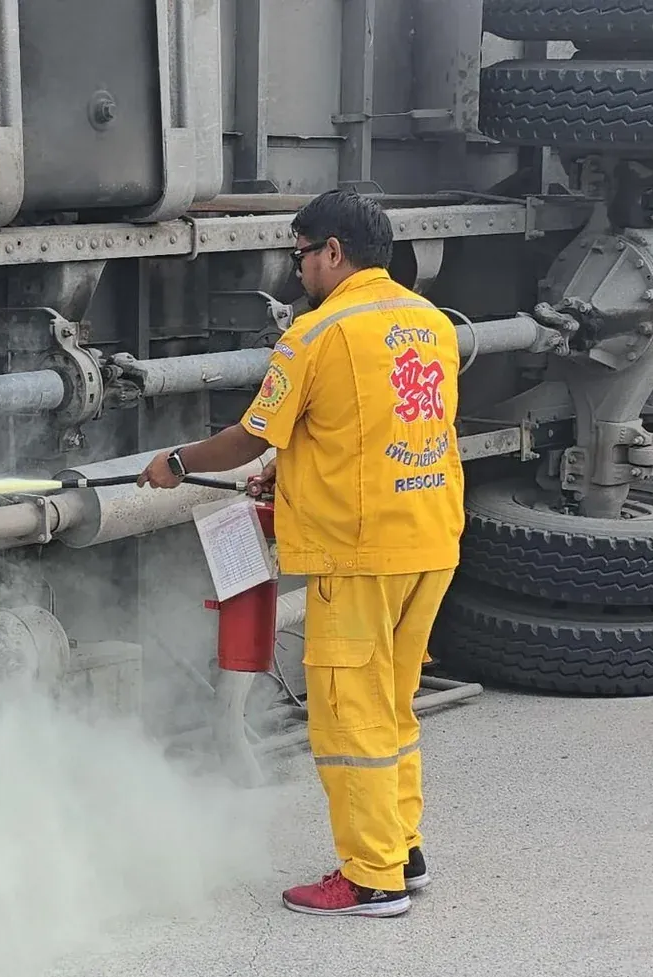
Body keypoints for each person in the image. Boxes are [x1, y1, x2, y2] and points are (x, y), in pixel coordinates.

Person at [138, 190, 464, 918]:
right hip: (430, 539)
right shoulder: (430, 322)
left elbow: (251, 434)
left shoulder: (317, 334)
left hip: (359, 554)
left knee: (349, 719)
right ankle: (402, 850)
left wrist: (178, 463)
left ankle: (372, 878)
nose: (299, 272)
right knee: (391, 707)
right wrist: (294, 472)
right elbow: (377, 429)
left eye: (300, 257)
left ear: (332, 252)